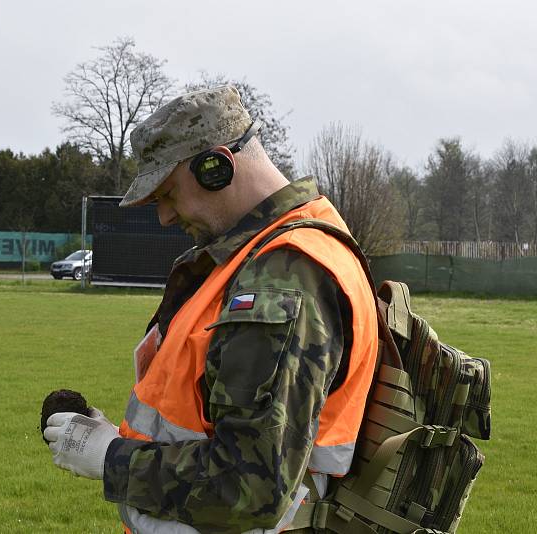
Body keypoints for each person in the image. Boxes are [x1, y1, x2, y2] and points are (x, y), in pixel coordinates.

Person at [44, 86, 378, 533]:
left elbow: (250, 485)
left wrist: (111, 458)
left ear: (215, 168)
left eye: (167, 193)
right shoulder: (270, 254)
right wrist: (115, 438)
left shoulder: (283, 275)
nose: (163, 216)